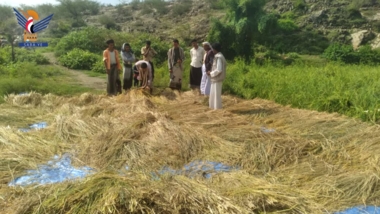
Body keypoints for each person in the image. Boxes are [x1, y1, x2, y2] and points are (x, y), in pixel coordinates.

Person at [207, 43, 226, 110]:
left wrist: (211, 73)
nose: (212, 50)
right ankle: (213, 107)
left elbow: (219, 70)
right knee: (213, 94)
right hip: (215, 79)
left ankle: (217, 109)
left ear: (215, 49)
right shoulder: (219, 56)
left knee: (216, 95)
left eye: (213, 49)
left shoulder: (219, 57)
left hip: (217, 79)